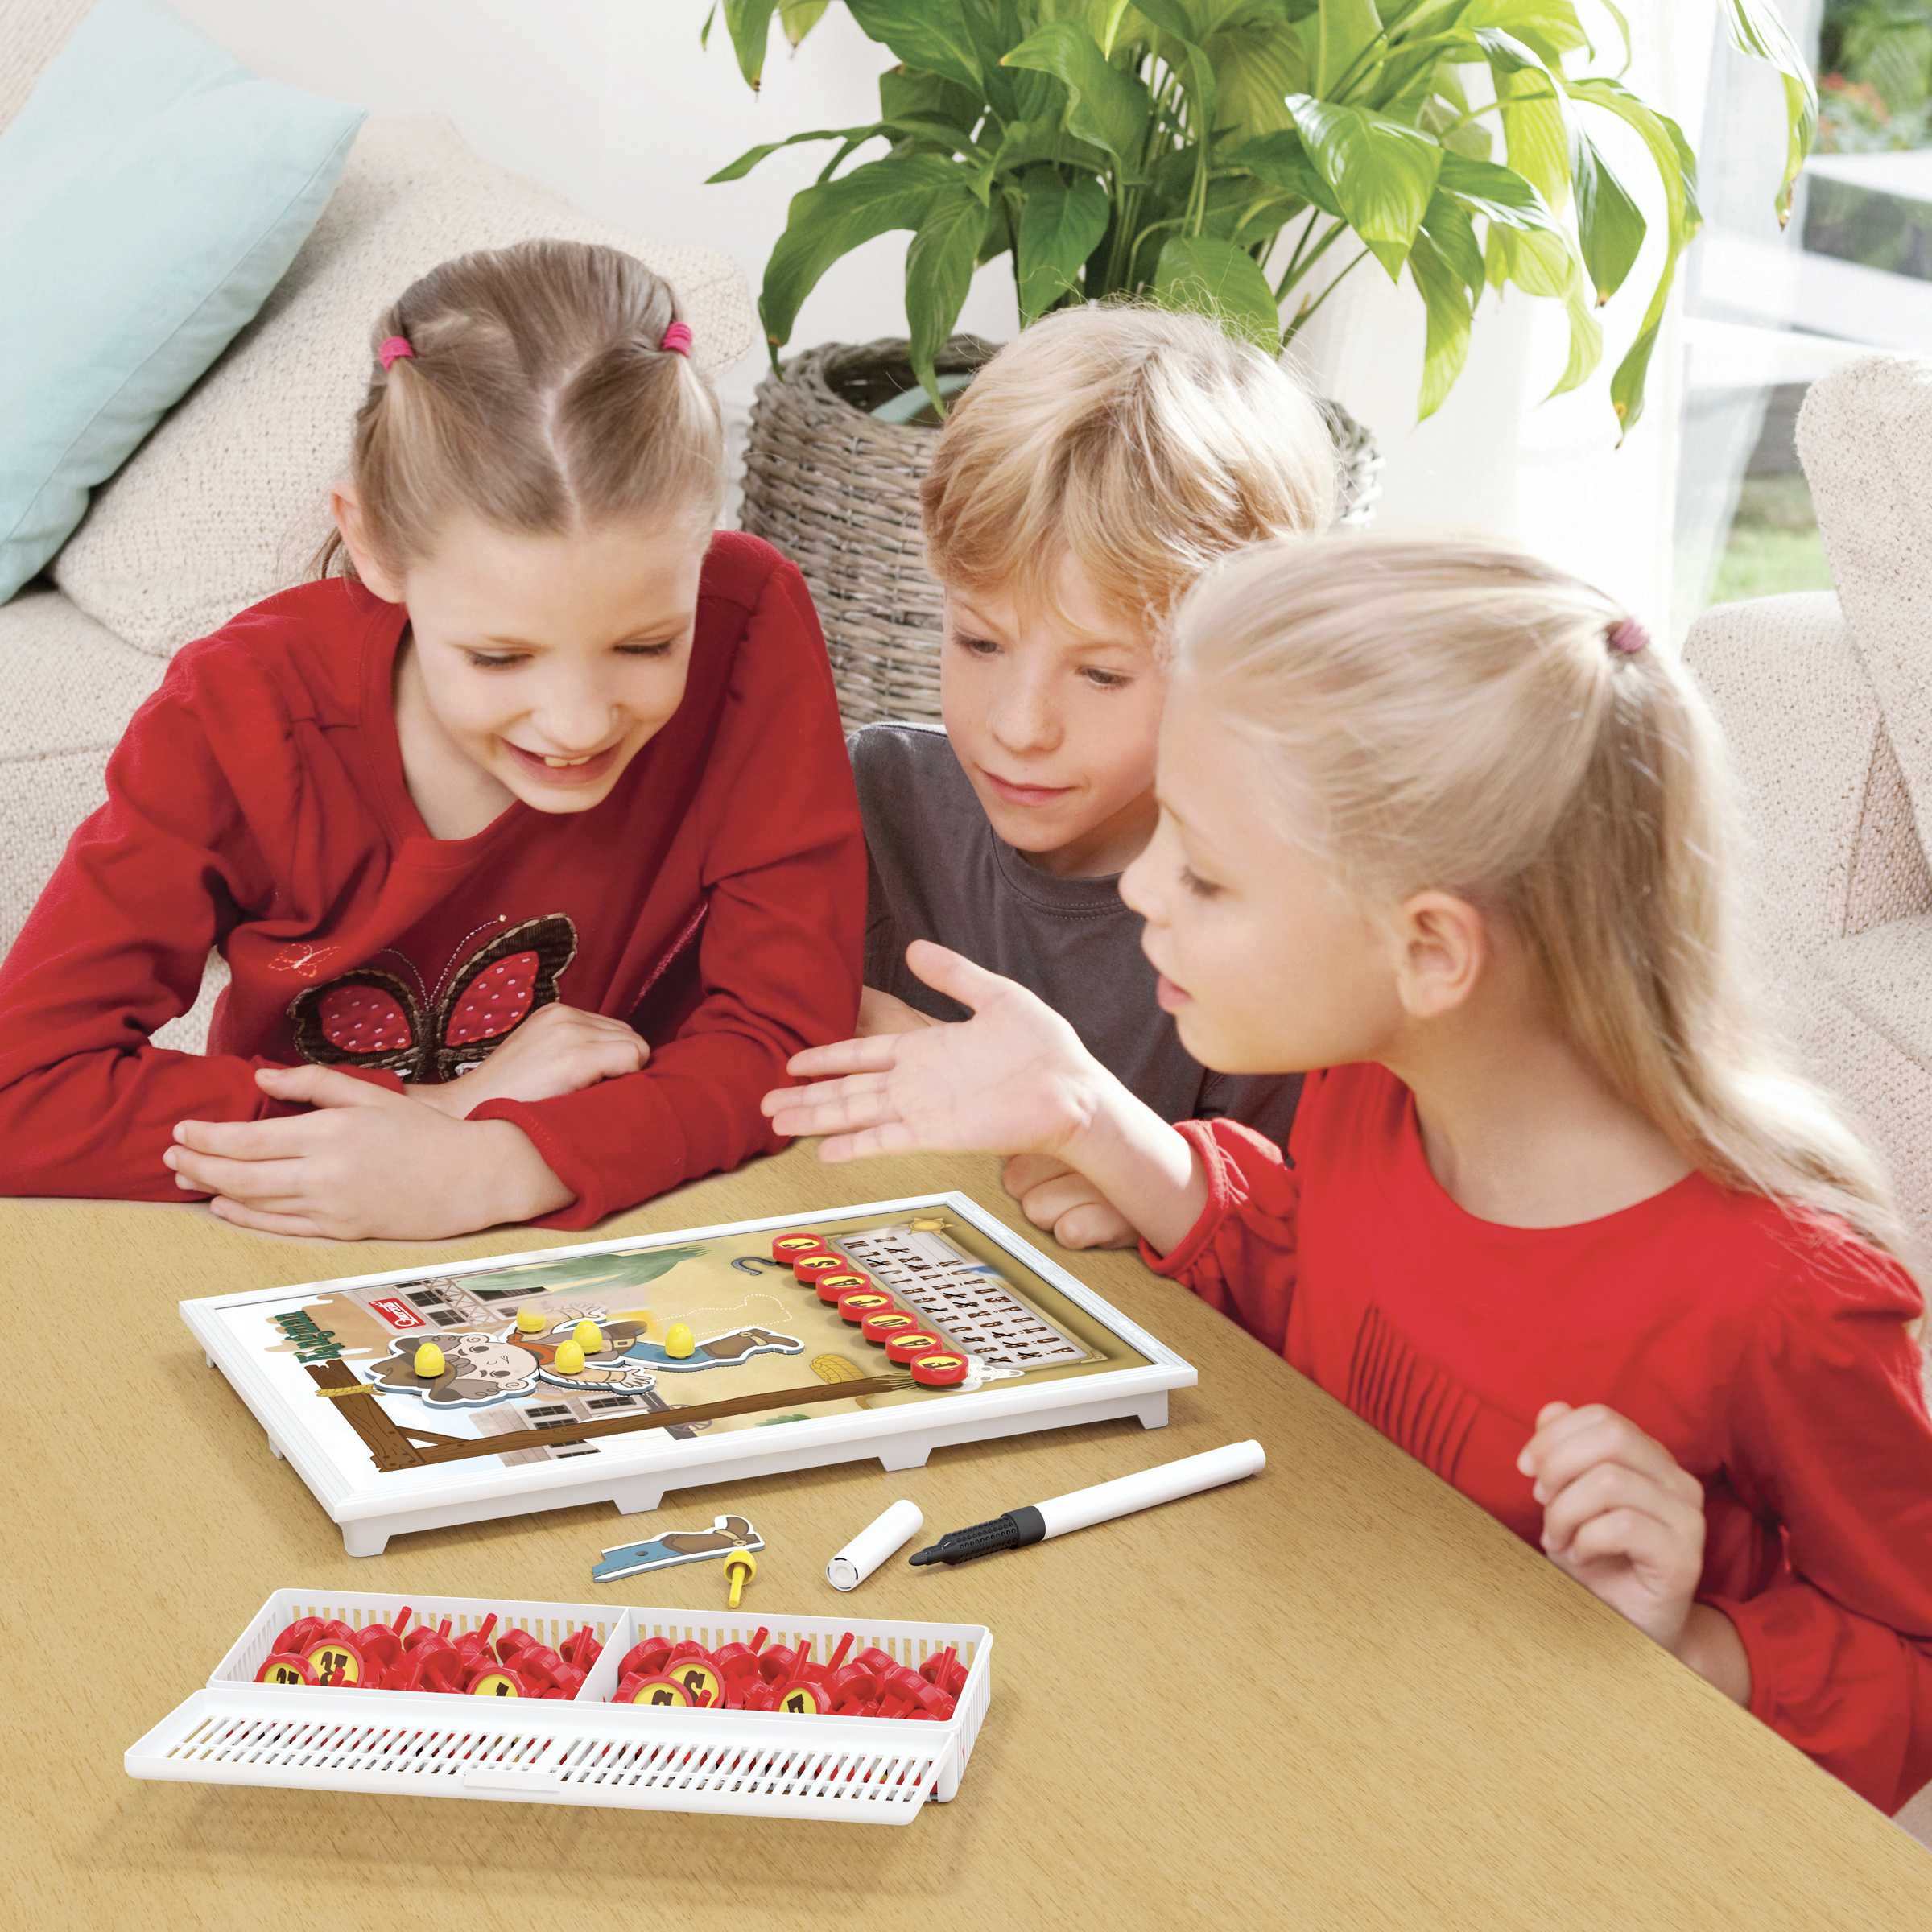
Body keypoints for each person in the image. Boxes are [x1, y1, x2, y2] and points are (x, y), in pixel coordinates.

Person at [765, 531, 1932, 1813]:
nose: (1141, 887)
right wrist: (1094, 1119)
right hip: (1316, 1708)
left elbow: (1914, 1657)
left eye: (1206, 872)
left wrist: (1690, 1642)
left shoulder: (1785, 1295)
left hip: (1547, 1817)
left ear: (1430, 951)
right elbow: (1319, 1278)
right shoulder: (1377, 1090)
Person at [0, 240, 863, 1241]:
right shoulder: (241, 709)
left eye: (646, 644)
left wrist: (505, 1166)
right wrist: (441, 1116)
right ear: (371, 542)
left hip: (630, 1207)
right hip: (302, 1225)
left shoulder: (749, 619)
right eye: (499, 657)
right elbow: (23, 1091)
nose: (577, 723)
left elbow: (785, 1031)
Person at [851, 304, 1335, 1252]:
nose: (1018, 726)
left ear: (1246, 666)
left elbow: (1301, 1257)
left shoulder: (1283, 930)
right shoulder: (876, 800)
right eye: (978, 641)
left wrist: (1143, 1180)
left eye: (1103, 675)